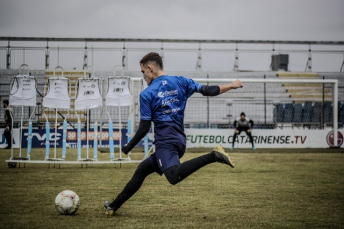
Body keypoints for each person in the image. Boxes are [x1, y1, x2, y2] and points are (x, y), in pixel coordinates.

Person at [104, 52, 243, 216]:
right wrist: (231, 85)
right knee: (142, 170)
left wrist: (128, 146)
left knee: (173, 176)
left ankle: (214, 156)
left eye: (143, 72)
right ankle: (114, 206)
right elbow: (208, 90)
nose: (143, 76)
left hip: (165, 142)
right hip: (179, 141)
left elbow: (144, 127)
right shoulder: (181, 81)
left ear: (150, 68)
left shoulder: (147, 94)